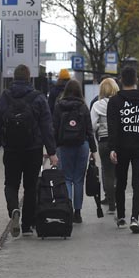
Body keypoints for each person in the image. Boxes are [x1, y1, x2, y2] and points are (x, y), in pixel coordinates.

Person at [0, 64, 58, 237]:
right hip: (33, 149)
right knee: (30, 187)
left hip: (12, 150)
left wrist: (4, 141)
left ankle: (14, 209)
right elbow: (46, 126)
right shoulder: (38, 98)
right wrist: (52, 152)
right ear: (29, 78)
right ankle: (27, 225)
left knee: (11, 184)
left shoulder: (5, 97)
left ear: (14, 77)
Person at [107, 66, 139, 233]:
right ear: (135, 80)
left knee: (120, 182)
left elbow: (112, 126)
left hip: (121, 147)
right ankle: (135, 218)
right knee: (137, 184)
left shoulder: (114, 102)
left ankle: (121, 217)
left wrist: (112, 148)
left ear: (120, 80)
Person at [52, 79, 98, 223]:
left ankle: (68, 210)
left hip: (63, 145)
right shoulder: (83, 107)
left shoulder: (59, 106)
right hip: (81, 144)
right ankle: (78, 213)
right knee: (78, 180)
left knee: (66, 178)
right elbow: (89, 130)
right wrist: (93, 149)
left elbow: (54, 127)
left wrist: (52, 149)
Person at [90, 77, 119, 206]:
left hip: (103, 141)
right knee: (119, 170)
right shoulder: (120, 103)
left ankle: (111, 201)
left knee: (107, 171)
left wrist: (100, 127)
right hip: (119, 141)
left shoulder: (97, 105)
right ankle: (119, 198)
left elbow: (92, 125)